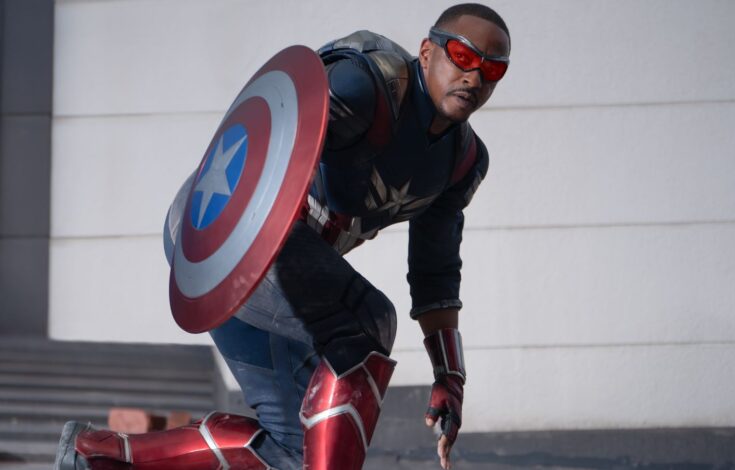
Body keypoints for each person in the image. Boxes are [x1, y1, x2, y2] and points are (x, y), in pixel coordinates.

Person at [55, 3, 510, 469]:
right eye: (462, 55)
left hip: (263, 270)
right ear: (428, 51)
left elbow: (435, 274)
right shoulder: (363, 84)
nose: (475, 76)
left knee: (295, 447)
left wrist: (449, 376)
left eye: (492, 68)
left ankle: (97, 456)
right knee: (368, 323)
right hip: (229, 237)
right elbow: (270, 130)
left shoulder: (461, 162)